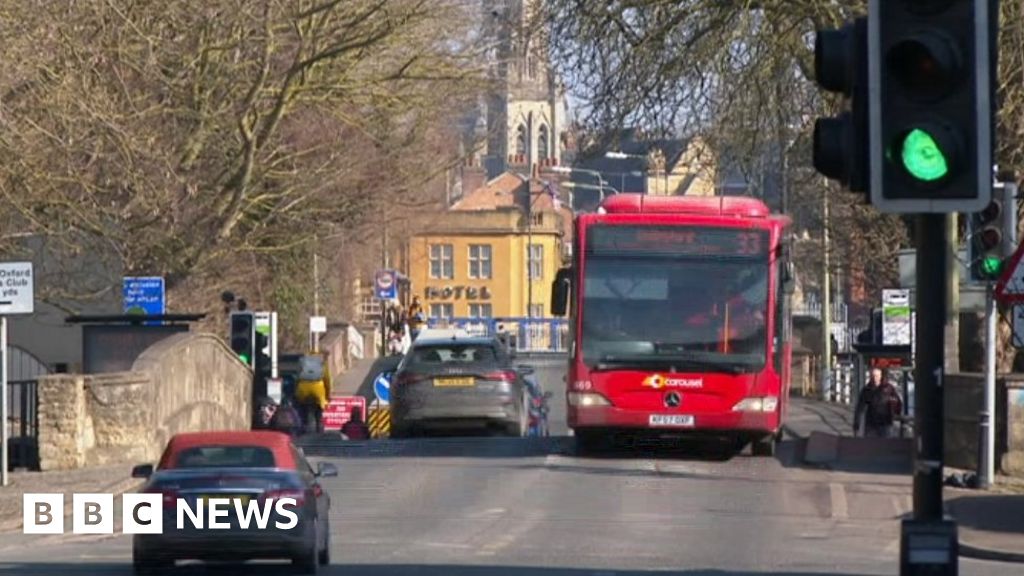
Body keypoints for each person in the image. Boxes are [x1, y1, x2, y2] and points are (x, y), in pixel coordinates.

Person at [853, 368, 903, 438]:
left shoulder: (888, 388)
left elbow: (898, 402)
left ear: (880, 376)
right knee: (870, 445)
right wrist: (856, 423)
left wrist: (896, 413)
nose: (874, 378)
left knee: (886, 445)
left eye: (876, 376)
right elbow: (860, 407)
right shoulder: (867, 390)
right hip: (871, 423)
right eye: (872, 376)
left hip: (885, 422)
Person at [295, 352, 332, 433]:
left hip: (303, 389)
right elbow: (327, 380)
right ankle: (320, 437)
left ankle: (305, 433)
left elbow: (297, 377)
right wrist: (328, 396)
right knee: (319, 416)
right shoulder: (322, 363)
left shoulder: (303, 362)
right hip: (318, 390)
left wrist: (297, 393)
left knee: (304, 413)